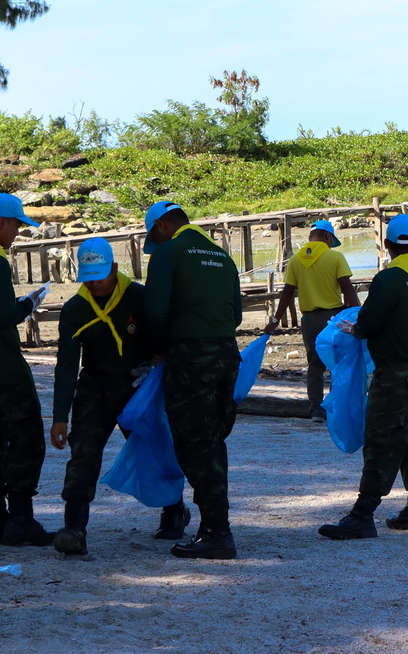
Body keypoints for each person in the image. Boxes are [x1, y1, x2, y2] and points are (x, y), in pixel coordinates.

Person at [50, 238, 191, 554]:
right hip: (95, 388)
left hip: (137, 385)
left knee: (154, 450)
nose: (95, 282)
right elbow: (66, 364)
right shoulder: (75, 309)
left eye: (101, 274)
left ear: (114, 268)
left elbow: (165, 334)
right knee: (83, 452)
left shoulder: (139, 297)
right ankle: (74, 527)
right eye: (89, 276)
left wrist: (157, 362)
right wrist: (60, 416)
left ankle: (174, 510)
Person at [319, 215, 408, 539]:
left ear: (387, 244)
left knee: (382, 439)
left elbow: (368, 324)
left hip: (398, 372)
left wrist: (354, 329)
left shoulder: (388, 279)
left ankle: (362, 514)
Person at [144, 201, 244, 559]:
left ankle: (217, 531)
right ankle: (215, 525)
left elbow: (154, 311)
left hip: (188, 357)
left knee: (193, 443)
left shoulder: (169, 253)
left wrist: (158, 349)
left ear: (161, 227)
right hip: (226, 355)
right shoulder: (222, 256)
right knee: (214, 440)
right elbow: (237, 313)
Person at [0, 193, 50, 546]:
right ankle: (21, 519)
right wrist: (27, 303)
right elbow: (2, 315)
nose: (16, 234)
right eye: (15, 225)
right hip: (2, 370)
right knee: (26, 442)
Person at [264, 219, 360, 422]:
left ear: (310, 237)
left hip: (308, 320)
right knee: (337, 363)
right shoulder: (335, 257)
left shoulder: (296, 260)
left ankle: (316, 408)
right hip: (333, 319)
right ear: (327, 236)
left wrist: (275, 320)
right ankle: (335, 406)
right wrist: (358, 313)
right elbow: (347, 288)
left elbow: (287, 293)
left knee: (314, 364)